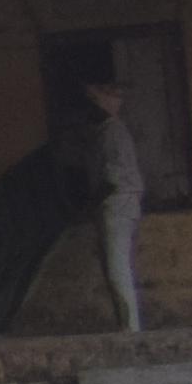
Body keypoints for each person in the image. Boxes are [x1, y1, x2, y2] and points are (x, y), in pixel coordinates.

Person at [76, 75, 151, 334]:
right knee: (116, 266)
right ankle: (126, 323)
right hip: (121, 203)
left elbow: (111, 179)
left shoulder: (111, 132)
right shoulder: (108, 132)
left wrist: (89, 202)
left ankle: (130, 327)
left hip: (117, 203)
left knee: (117, 267)